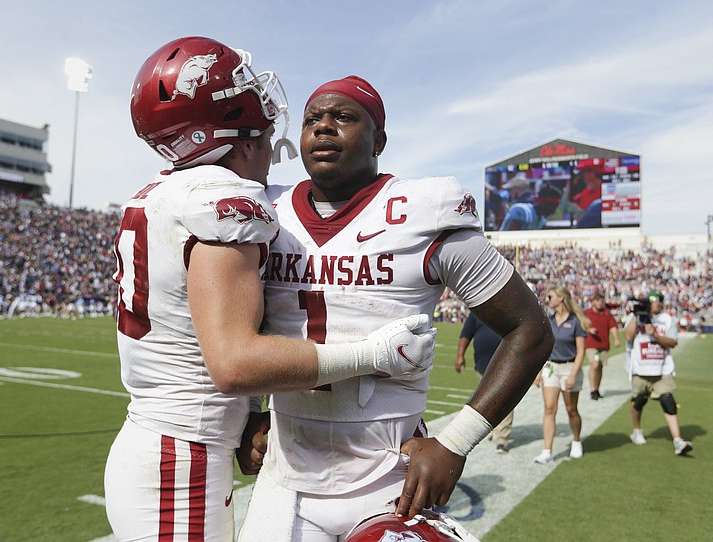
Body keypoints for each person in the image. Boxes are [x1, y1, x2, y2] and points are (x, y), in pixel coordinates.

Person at [103, 39, 437, 542]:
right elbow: (236, 363)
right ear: (232, 129)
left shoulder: (160, 192)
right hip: (181, 454)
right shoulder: (221, 200)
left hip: (162, 440)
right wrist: (372, 354)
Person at [238, 75, 554, 541]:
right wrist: (249, 413)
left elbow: (530, 329)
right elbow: (240, 329)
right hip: (286, 481)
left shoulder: (422, 212)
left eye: (343, 117)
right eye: (312, 120)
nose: (323, 128)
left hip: (391, 482)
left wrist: (455, 442)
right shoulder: (265, 211)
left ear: (379, 139)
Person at [624, 290, 693, 455]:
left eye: (657, 301)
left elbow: (673, 342)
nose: (655, 304)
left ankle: (677, 441)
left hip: (662, 370)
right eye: (652, 301)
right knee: (639, 401)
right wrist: (636, 315)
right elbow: (628, 336)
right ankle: (637, 430)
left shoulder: (667, 319)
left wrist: (655, 335)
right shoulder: (635, 317)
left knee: (668, 400)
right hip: (640, 369)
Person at [534, 285, 589, 464]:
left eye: (551, 297)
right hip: (551, 367)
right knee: (549, 408)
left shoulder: (575, 322)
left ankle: (576, 441)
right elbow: (543, 348)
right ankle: (547, 450)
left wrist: (573, 374)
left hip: (569, 368)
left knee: (571, 410)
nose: (548, 300)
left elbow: (581, 351)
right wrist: (539, 371)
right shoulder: (548, 320)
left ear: (561, 299)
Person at [455, 312, 514, 454]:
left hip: (506, 364)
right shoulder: (477, 310)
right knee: (487, 401)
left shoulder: (510, 309)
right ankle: (495, 430)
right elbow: (466, 333)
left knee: (505, 399)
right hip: (482, 366)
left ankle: (501, 439)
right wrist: (460, 355)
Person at [584, 292, 621, 400]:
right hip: (591, 344)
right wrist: (589, 329)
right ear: (593, 301)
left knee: (600, 367)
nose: (600, 303)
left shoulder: (607, 313)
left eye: (601, 300)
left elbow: (613, 326)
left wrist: (616, 339)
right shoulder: (587, 313)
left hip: (603, 344)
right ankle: (592, 389)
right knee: (594, 365)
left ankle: (596, 389)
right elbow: (581, 324)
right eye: (597, 300)